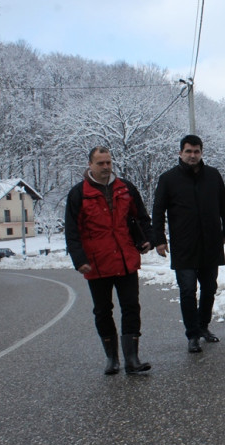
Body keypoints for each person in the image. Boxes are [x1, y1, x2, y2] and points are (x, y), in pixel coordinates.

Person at [65, 146, 152, 375]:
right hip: (97, 263)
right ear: (90, 165)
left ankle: (132, 359)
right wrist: (79, 259)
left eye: (108, 163)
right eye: (101, 163)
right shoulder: (78, 194)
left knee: (131, 307)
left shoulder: (126, 188)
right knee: (103, 311)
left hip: (125, 259)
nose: (106, 167)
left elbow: (141, 217)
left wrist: (146, 239)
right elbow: (72, 231)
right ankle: (112, 359)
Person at [152, 134, 225, 353]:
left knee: (209, 288)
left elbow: (224, 205)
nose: (192, 155)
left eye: (196, 151)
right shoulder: (168, 179)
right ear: (180, 153)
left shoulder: (213, 176)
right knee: (188, 290)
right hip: (184, 244)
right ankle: (192, 335)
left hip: (210, 242)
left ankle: (203, 326)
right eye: (188, 151)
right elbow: (158, 211)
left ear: (201, 153)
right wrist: (159, 240)